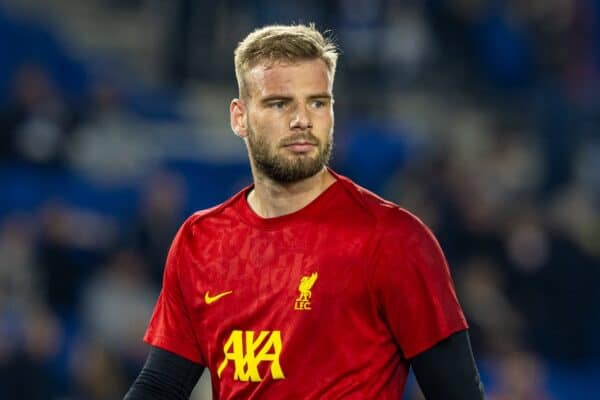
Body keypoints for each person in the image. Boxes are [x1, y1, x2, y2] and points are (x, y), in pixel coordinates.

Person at [124, 24, 485, 399]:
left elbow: (458, 392)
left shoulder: (393, 238)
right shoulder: (200, 240)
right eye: (280, 103)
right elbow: (161, 386)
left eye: (317, 102)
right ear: (239, 117)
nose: (302, 119)